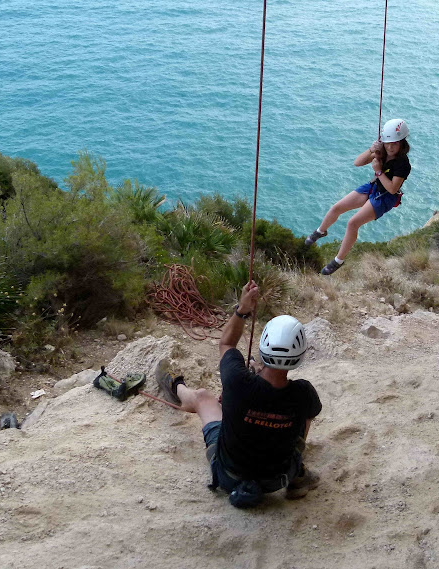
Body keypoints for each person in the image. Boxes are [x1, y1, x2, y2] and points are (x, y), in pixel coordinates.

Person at [158, 281, 322, 509]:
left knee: (203, 397)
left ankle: (175, 385)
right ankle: (298, 473)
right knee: (305, 415)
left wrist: (243, 309)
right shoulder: (304, 393)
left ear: (264, 347)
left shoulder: (237, 380)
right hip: (277, 479)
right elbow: (306, 414)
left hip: (229, 476)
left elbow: (226, 343)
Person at [305, 118, 412, 275]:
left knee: (352, 223)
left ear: (402, 142)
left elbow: (392, 189)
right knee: (337, 207)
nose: (390, 147)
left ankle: (338, 261)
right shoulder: (382, 150)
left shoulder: (403, 164)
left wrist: (378, 171)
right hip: (374, 186)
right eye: (387, 142)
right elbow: (357, 162)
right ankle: (320, 231)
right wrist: (371, 150)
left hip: (385, 196)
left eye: (394, 143)